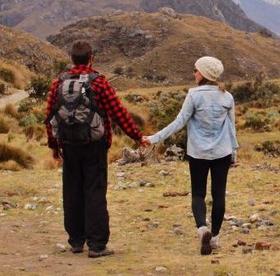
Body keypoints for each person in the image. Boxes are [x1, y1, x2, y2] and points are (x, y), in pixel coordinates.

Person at [45, 40, 143, 258]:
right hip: (95, 146)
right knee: (95, 192)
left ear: (72, 59)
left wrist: (54, 146)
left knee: (72, 191)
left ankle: (76, 241)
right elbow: (118, 112)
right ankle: (97, 244)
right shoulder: (98, 82)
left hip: (69, 145)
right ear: (91, 58)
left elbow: (49, 116)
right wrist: (137, 136)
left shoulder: (58, 82)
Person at [140, 56, 238, 256]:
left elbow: (179, 122)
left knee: (198, 194)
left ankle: (203, 229)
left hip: (198, 153)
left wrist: (154, 138)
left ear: (203, 73)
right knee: (219, 194)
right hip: (222, 152)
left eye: (195, 70)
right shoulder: (227, 96)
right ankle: (216, 238)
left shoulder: (193, 95)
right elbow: (231, 127)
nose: (193, 73)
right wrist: (234, 153)